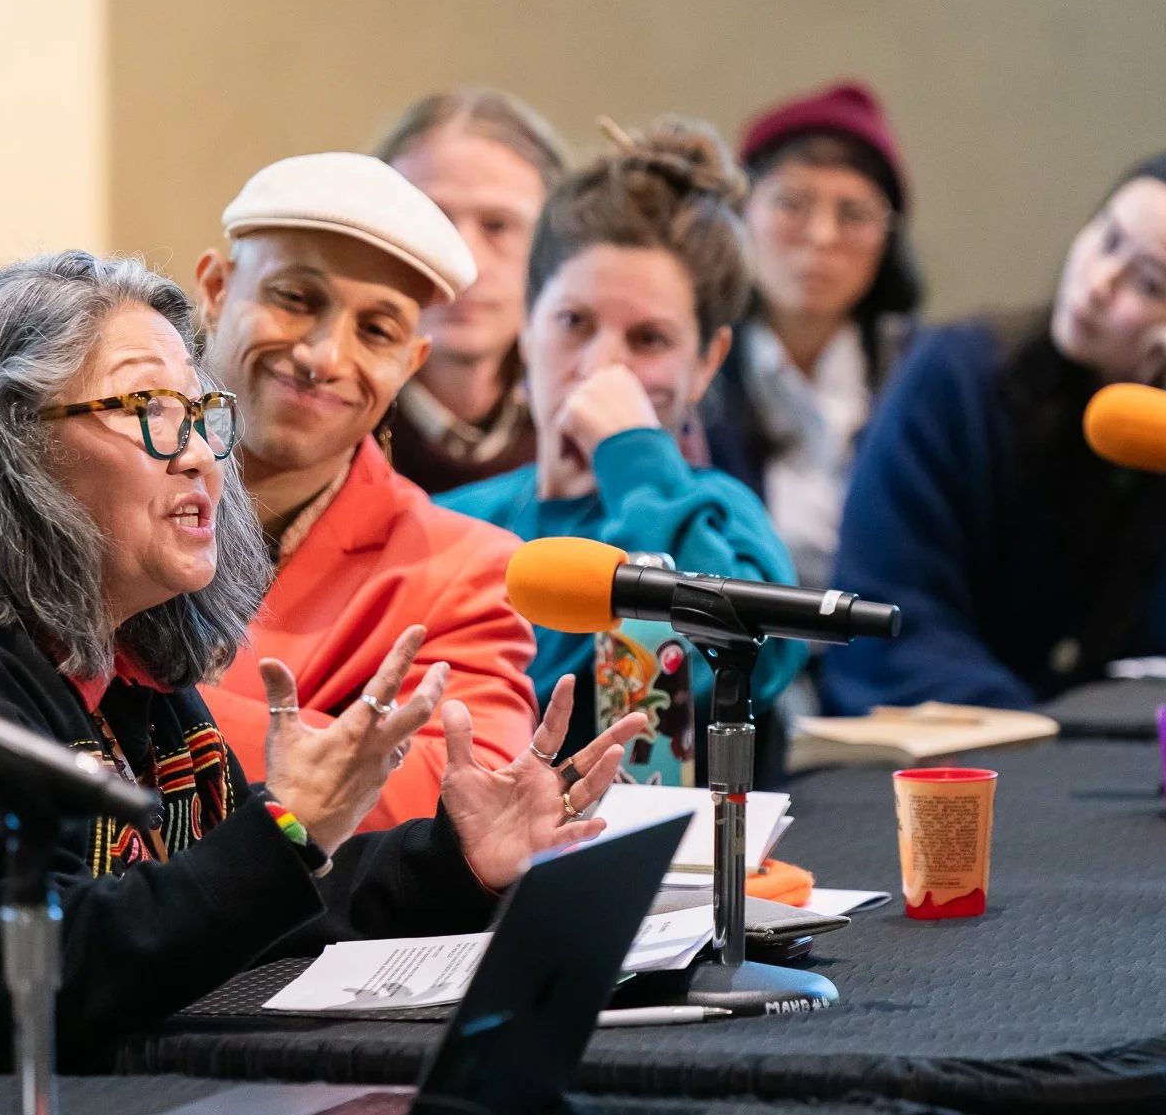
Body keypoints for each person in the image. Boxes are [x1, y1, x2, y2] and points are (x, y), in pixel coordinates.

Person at [0, 253, 642, 1115]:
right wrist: (285, 832)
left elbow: (228, 910)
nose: (198, 453)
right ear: (10, 445)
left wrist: (453, 859)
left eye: (201, 415)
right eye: (151, 410)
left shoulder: (130, 665)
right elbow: (20, 988)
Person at [823, 151, 1166, 716]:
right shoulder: (957, 379)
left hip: (1121, 747)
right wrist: (1044, 735)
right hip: (971, 741)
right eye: (1108, 239)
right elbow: (891, 620)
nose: (1100, 282)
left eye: (1149, 283)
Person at [193, 152, 541, 829]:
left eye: (377, 331)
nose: (324, 357)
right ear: (215, 288)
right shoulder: (87, 484)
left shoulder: (459, 571)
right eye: (295, 299)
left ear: (410, 362)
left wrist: (127, 711)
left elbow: (467, 802)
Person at [439, 117, 805, 756]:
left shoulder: (721, 519)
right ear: (527, 328)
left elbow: (739, 670)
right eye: (574, 322)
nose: (601, 366)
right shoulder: (451, 525)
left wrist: (633, 456)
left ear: (708, 362)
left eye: (649, 339)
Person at [699, 81, 924, 591]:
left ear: (888, 238)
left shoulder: (920, 375)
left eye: (854, 214)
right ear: (741, 213)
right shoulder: (691, 366)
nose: (822, 236)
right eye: (791, 204)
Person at [375, 89, 570, 494]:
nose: (465, 266)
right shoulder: (327, 419)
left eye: (499, 226)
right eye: (432, 220)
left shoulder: (586, 427)